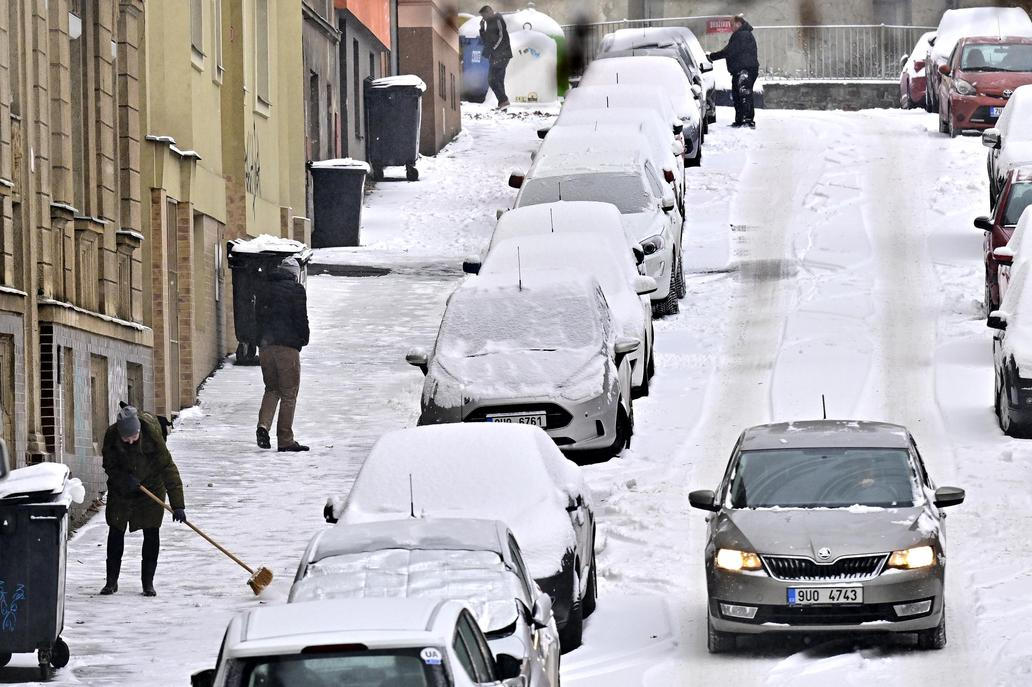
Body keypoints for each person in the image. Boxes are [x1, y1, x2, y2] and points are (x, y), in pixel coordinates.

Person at [100, 405, 186, 597]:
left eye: (133, 437)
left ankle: (148, 583)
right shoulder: (111, 435)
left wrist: (178, 505)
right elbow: (109, 464)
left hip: (152, 486)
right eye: (126, 438)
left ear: (139, 430)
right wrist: (123, 479)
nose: (130, 441)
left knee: (151, 530)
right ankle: (111, 582)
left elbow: (168, 468)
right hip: (122, 489)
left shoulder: (152, 434)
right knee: (116, 529)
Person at [255, 257, 310, 452]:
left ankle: (263, 426)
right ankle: (285, 439)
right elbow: (301, 319)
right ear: (294, 274)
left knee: (272, 388)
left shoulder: (264, 288)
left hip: (266, 346)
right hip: (287, 347)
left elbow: (256, 317)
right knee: (289, 393)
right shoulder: (296, 290)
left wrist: (260, 341)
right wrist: (303, 339)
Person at [708, 14, 759, 128]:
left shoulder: (742, 34)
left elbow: (729, 51)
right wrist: (713, 56)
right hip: (741, 69)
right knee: (738, 95)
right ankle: (741, 120)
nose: (731, 27)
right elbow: (730, 50)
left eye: (732, 25)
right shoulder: (741, 34)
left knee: (744, 94)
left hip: (745, 70)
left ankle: (747, 120)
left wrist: (712, 57)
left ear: (739, 23)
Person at [479, 5, 512, 109]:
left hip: (501, 55)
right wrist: (482, 29)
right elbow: (486, 41)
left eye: (483, 15)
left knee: (492, 79)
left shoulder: (497, 19)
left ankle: (504, 101)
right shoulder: (489, 24)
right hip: (495, 55)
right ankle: (503, 103)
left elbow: (502, 37)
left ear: (489, 12)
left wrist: (494, 50)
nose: (483, 18)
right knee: (498, 80)